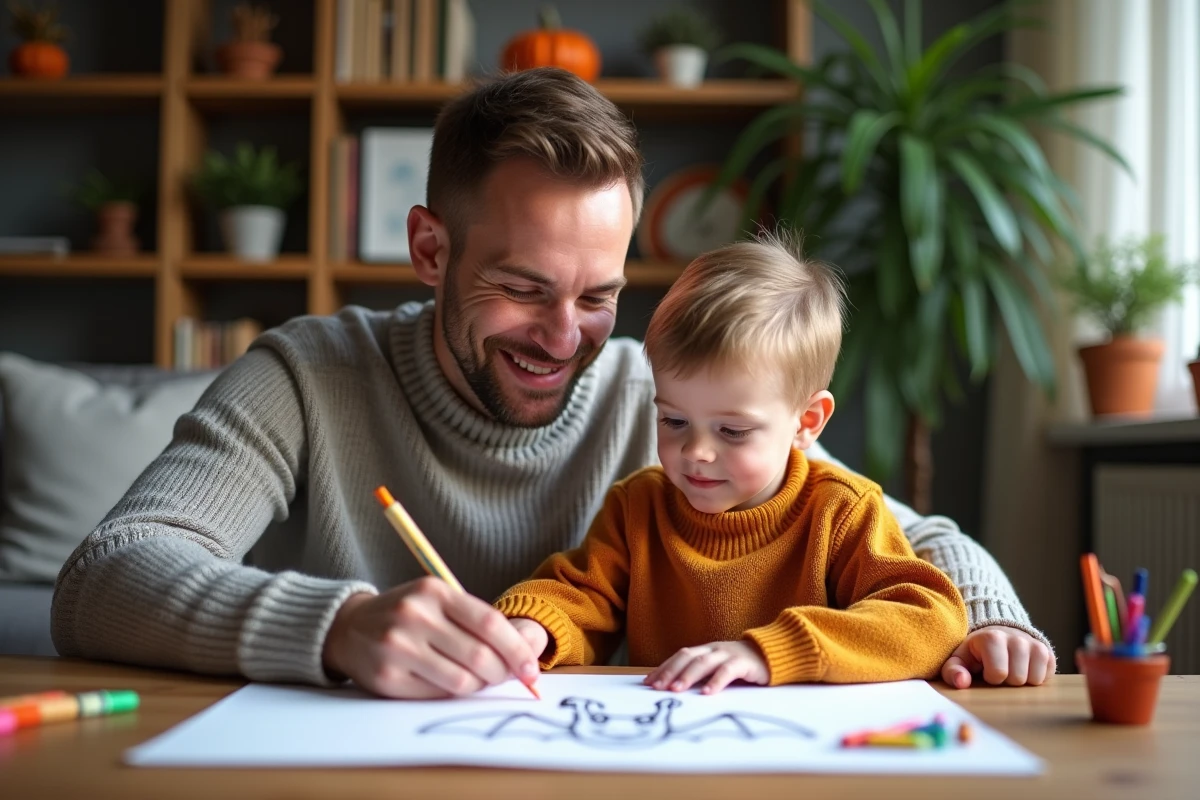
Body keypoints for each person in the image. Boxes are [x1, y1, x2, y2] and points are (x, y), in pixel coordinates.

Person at [51, 67, 1053, 698]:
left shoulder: (650, 394)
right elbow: (106, 573)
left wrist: (994, 617)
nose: (563, 337)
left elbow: (898, 532)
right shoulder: (308, 372)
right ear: (431, 249)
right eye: (524, 288)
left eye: (597, 294)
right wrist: (336, 625)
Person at [496, 233, 969, 694]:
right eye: (674, 420)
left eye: (732, 431)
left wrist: (771, 653)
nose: (696, 452)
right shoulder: (638, 506)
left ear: (806, 421)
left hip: (798, 754)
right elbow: (582, 596)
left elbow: (928, 617)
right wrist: (535, 627)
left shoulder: (841, 511)